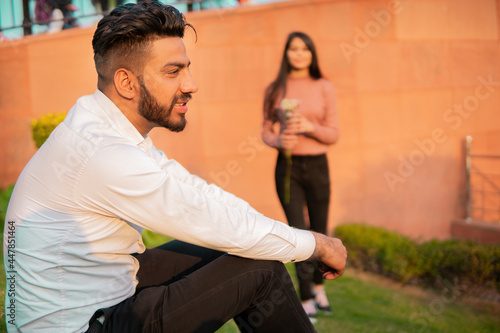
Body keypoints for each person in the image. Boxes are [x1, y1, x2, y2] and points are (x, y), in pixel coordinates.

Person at [3, 3, 346, 332]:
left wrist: (294, 238)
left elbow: (200, 195)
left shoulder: (100, 126)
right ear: (126, 83)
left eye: (187, 68)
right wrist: (316, 244)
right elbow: (206, 217)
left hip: (93, 292)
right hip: (78, 326)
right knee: (260, 268)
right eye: (173, 71)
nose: (191, 84)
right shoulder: (104, 153)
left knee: (244, 247)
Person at [261, 31, 340, 322]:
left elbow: (333, 134)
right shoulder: (275, 88)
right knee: (298, 231)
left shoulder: (324, 86)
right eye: (293, 49)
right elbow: (265, 131)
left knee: (321, 229)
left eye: (304, 49)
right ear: (286, 53)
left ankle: (320, 288)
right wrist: (278, 141)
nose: (299, 54)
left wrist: (309, 127)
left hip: (318, 166)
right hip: (288, 168)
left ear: (311, 54)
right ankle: (305, 296)